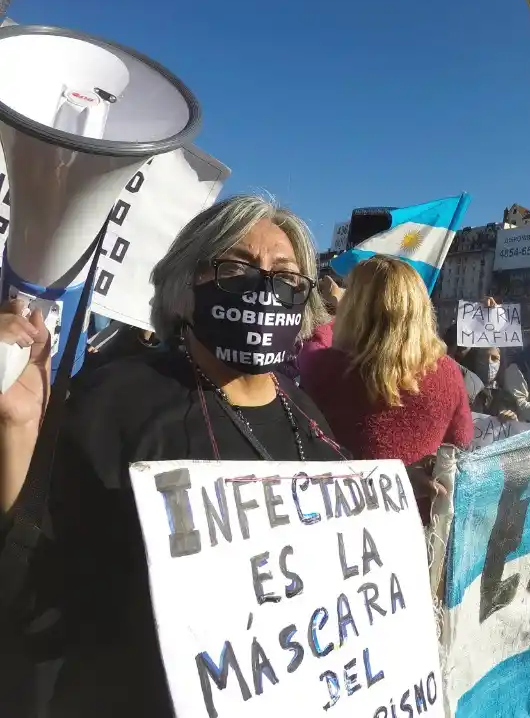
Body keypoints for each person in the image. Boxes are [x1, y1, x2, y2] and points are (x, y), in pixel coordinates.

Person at [0, 195, 345, 717]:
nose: (265, 287)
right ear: (185, 288)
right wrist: (20, 429)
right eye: (236, 268)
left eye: (286, 275)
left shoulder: (307, 412)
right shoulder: (113, 400)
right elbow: (34, 563)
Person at [298, 255, 473, 470]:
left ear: (354, 308)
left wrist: (332, 313)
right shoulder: (448, 371)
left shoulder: (327, 369)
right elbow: (461, 439)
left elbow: (310, 351)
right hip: (420, 491)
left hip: (344, 489)